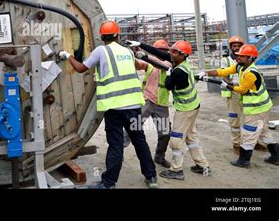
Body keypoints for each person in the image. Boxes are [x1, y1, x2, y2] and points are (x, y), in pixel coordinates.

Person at [59, 21, 157, 189]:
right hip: (133, 105)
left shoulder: (100, 51)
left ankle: (108, 183)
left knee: (116, 144)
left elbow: (81, 68)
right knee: (139, 140)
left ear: (101, 36)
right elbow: (136, 65)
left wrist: (67, 56)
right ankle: (151, 177)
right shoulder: (127, 51)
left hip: (114, 107)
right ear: (117, 35)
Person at [127, 39, 210, 180]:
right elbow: (153, 58)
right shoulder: (178, 62)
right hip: (161, 102)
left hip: (182, 108)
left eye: (172, 51)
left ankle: (176, 170)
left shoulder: (176, 69)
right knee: (191, 137)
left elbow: (168, 84)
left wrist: (168, 72)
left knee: (175, 138)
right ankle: (202, 164)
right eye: (168, 51)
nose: (169, 53)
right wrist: (140, 46)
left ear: (182, 55)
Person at [197, 44, 278, 167]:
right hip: (262, 108)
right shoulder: (241, 66)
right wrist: (206, 72)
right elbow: (223, 71)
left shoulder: (251, 72)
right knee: (264, 131)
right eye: (238, 55)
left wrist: (227, 86)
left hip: (257, 109)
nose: (237, 57)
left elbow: (242, 90)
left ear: (250, 58)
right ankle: (276, 156)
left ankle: (244, 160)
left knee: (248, 134)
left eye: (241, 56)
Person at [123, 40, 173, 169]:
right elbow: (138, 65)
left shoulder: (168, 64)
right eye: (159, 50)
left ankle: (159, 156)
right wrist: (132, 53)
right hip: (146, 101)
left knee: (165, 133)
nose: (162, 52)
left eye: (164, 50)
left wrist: (144, 55)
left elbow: (161, 65)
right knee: (133, 127)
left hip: (161, 104)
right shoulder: (150, 64)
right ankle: (119, 151)